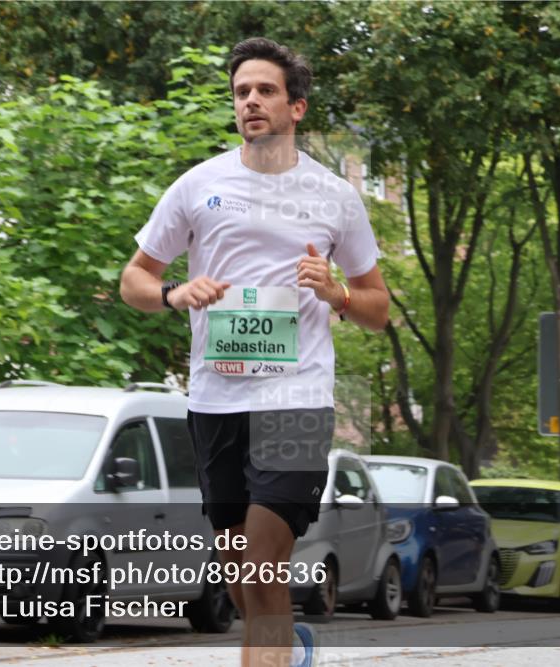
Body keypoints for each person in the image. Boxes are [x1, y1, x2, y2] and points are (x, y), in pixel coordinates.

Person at [120, 37, 389, 667]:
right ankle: (287, 649)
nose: (251, 101)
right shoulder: (198, 186)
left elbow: (378, 308)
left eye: (265, 90)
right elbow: (133, 279)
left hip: (297, 396)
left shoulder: (333, 196)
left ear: (296, 107)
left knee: (263, 556)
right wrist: (174, 292)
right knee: (239, 568)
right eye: (242, 91)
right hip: (216, 397)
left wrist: (337, 292)